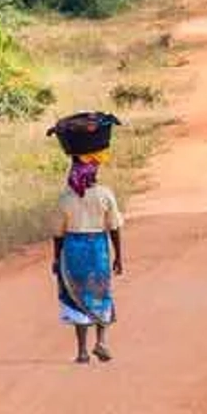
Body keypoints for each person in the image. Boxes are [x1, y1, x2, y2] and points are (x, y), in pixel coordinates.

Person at [53, 154, 124, 364]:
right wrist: (119, 255)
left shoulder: (66, 198)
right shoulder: (104, 194)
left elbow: (58, 234)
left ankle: (82, 352)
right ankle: (101, 342)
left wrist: (57, 259)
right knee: (101, 292)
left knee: (76, 296)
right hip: (97, 248)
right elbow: (114, 227)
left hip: (73, 249)